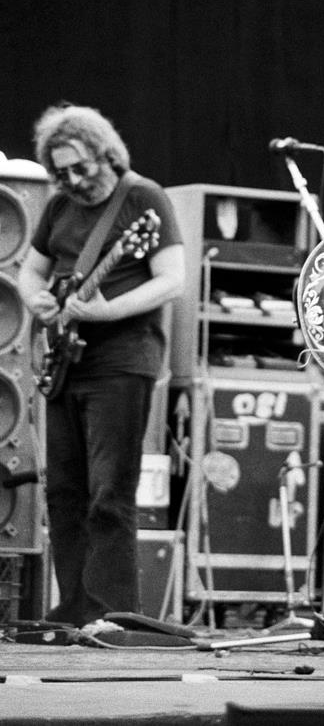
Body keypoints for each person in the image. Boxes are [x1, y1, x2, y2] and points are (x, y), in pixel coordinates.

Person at [18, 104, 185, 628]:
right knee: (64, 491)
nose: (72, 180)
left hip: (122, 360)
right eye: (61, 172)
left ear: (104, 153)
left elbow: (172, 278)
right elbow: (31, 269)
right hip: (66, 362)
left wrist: (108, 309)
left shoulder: (142, 197)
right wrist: (37, 300)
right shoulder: (59, 204)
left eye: (80, 168)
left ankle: (115, 614)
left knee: (110, 493)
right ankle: (73, 608)